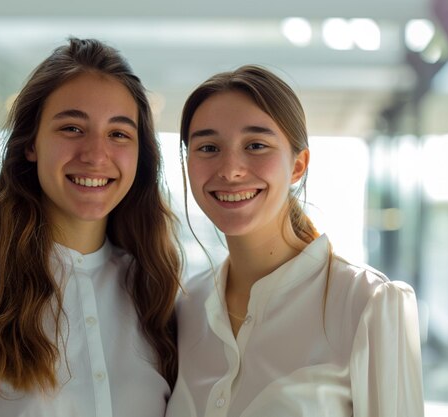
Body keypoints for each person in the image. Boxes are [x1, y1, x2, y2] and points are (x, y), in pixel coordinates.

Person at [0, 38, 181, 417]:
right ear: (31, 144)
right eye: (72, 128)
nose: (95, 155)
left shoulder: (158, 291)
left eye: (118, 134)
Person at [165, 65, 424, 417]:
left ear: (298, 165)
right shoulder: (187, 307)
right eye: (208, 148)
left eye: (256, 145)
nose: (229, 169)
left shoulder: (366, 303)